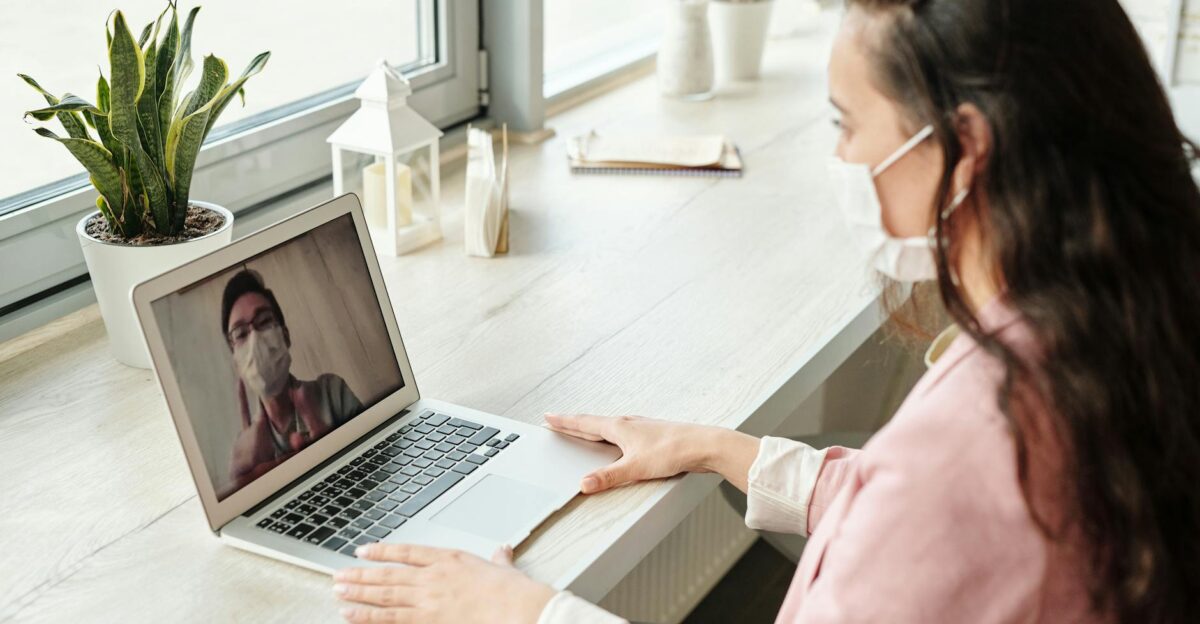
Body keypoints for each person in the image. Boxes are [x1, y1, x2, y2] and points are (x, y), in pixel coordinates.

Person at [328, 0, 1200, 622]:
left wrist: (522, 614)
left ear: (964, 149)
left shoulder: (981, 437)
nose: (841, 157)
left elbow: (935, 502)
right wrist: (723, 449)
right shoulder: (1114, 321)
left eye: (847, 124)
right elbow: (933, 525)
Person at [222, 269, 363, 493]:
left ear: (285, 336)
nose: (255, 339)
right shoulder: (246, 451)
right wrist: (241, 488)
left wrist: (334, 453)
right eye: (240, 334)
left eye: (264, 321)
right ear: (236, 362)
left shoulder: (332, 392)